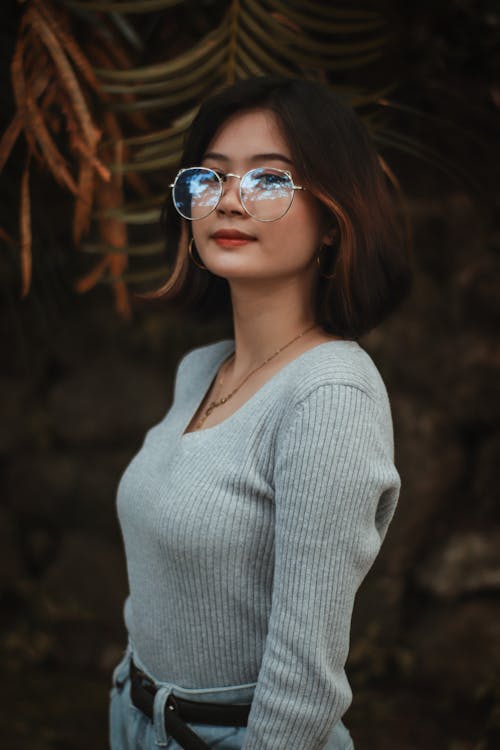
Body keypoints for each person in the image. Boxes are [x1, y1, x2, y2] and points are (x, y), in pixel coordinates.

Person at [109, 75, 413, 750]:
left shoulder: (330, 397)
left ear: (334, 220)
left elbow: (302, 687)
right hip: (136, 717)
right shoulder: (201, 370)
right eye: (210, 178)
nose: (229, 201)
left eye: (270, 180)